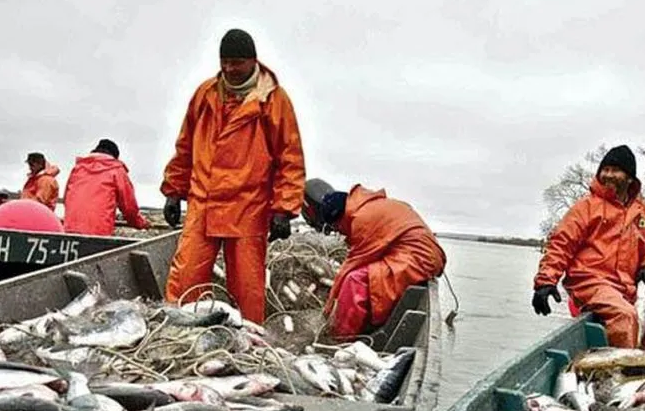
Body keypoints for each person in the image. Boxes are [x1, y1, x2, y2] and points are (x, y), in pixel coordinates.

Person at [161, 28, 305, 323]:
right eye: (224, 61)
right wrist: (174, 192)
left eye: (236, 62)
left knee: (248, 287)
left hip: (248, 208)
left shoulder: (274, 101)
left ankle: (251, 344)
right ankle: (172, 333)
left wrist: (284, 209)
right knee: (185, 278)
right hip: (203, 202)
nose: (229, 68)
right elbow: (185, 145)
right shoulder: (205, 94)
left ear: (252, 61)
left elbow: (290, 158)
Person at [531, 144, 645, 351]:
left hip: (628, 288)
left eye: (615, 170)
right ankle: (621, 374)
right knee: (625, 318)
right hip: (590, 282)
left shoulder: (643, 213)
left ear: (630, 177)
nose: (608, 175)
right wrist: (545, 282)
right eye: (605, 170)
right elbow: (561, 244)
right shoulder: (586, 207)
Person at [302, 178, 447, 339]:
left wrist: (327, 314)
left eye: (337, 228)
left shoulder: (361, 219)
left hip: (418, 259)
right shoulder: (367, 205)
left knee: (355, 281)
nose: (340, 232)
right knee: (360, 278)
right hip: (419, 254)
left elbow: (349, 269)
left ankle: (340, 338)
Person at [61, 139, 149, 237]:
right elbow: (129, 207)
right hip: (98, 234)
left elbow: (66, 199)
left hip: (69, 232)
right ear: (115, 157)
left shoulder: (78, 168)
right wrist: (141, 223)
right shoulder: (116, 170)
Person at [0, 198, 64, 234]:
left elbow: (41, 198)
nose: (30, 167)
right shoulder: (33, 179)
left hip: (39, 222)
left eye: (32, 164)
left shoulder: (45, 180)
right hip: (29, 213)